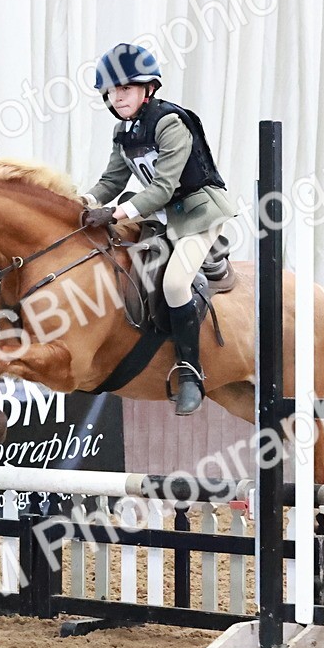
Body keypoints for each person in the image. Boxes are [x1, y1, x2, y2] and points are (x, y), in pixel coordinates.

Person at [79, 43, 237, 416]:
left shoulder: (169, 123)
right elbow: (111, 181)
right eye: (113, 91)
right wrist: (82, 203)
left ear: (148, 89)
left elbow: (163, 187)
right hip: (162, 216)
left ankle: (190, 374)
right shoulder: (124, 130)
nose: (118, 97)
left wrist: (115, 213)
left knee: (174, 283)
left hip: (199, 214)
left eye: (126, 89)